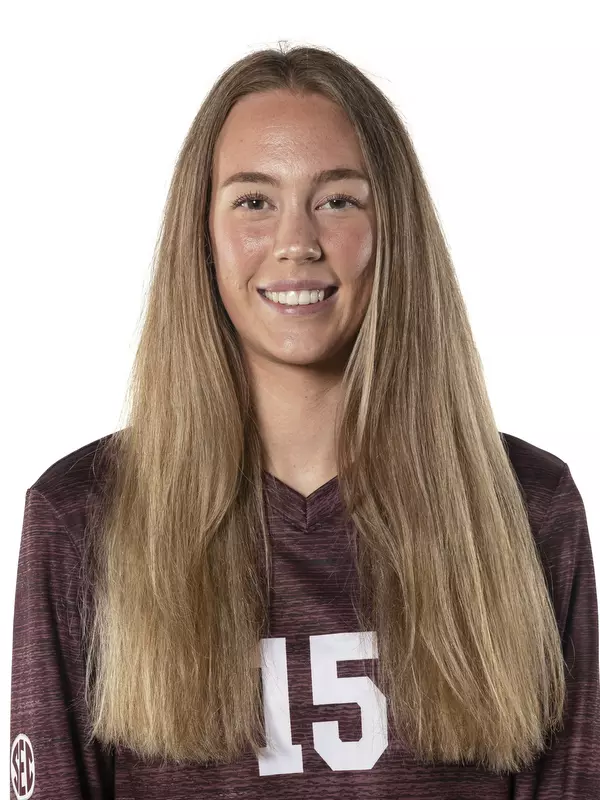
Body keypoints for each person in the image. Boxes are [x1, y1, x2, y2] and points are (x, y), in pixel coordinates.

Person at [10, 43, 599, 799]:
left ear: (394, 232)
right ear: (203, 236)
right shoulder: (83, 515)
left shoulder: (527, 508)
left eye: (338, 200)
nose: (296, 241)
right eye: (254, 201)